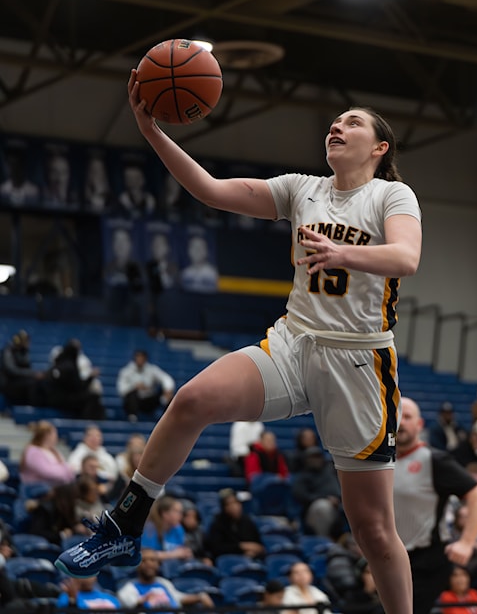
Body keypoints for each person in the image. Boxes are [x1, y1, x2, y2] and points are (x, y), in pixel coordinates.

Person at [57, 88, 421, 614]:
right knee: (192, 399)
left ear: (380, 147)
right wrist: (152, 132)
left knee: (373, 532)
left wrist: (344, 252)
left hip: (359, 361)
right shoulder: (302, 189)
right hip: (294, 342)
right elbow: (209, 189)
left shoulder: (392, 197)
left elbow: (406, 257)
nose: (337, 126)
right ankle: (125, 525)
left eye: (353, 122)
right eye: (334, 120)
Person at [393, 397, 477, 614]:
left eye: (407, 417)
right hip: (390, 556)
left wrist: (466, 542)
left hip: (425, 559)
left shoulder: (434, 460)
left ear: (420, 425)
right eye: (396, 415)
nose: (401, 421)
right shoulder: (380, 461)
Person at [116, 547, 214, 610]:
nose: (149, 564)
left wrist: (200, 597)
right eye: (144, 561)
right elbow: (131, 606)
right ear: (137, 565)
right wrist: (144, 600)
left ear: (158, 565)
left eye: (153, 560)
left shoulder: (163, 583)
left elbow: (179, 598)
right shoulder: (128, 589)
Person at [291, 446, 343, 538]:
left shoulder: (330, 469)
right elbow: (301, 496)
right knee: (322, 507)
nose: (316, 460)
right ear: (306, 459)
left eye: (318, 456)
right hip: (315, 509)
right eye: (312, 457)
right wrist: (325, 498)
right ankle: (325, 540)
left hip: (339, 503)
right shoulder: (302, 476)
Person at [204, 487, 264, 560]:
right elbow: (216, 548)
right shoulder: (217, 524)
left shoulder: (248, 522)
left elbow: (259, 546)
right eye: (229, 504)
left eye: (236, 502)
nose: (234, 507)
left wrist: (254, 551)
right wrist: (242, 546)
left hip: (251, 560)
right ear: (224, 507)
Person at [117, 349, 176, 421]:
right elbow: (121, 390)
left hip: (149, 401)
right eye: (138, 357)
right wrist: (135, 387)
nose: (140, 360)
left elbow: (166, 378)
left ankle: (168, 419)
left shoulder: (152, 369)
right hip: (134, 401)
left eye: (142, 358)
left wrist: (168, 390)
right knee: (131, 396)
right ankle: (132, 417)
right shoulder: (126, 371)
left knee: (166, 394)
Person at [19, 420, 75, 487]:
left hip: (57, 488)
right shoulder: (33, 451)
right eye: (55, 434)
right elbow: (47, 472)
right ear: (47, 436)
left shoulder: (54, 451)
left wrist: (65, 471)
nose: (57, 437)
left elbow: (71, 475)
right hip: (37, 489)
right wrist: (64, 471)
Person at [0, 329, 45, 405]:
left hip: (19, 381)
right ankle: (31, 407)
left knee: (38, 382)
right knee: (32, 383)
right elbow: (11, 370)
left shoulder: (23, 352)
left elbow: (27, 367)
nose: (28, 344)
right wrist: (33, 374)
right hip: (8, 383)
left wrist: (25, 352)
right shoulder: (8, 351)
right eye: (26, 341)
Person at [56, 576, 122, 610]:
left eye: (90, 572)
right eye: (83, 573)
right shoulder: (66, 598)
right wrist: (72, 601)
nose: (87, 576)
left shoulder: (110, 598)